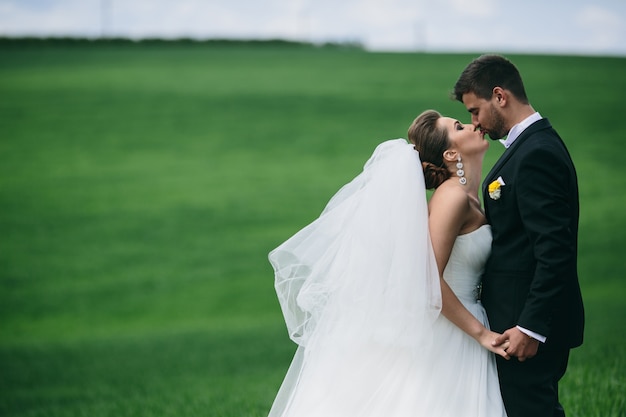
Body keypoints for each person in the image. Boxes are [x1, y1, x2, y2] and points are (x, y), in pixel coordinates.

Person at [267, 110, 508, 416]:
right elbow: (427, 278)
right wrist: (480, 333)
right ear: (450, 153)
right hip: (451, 330)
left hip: (462, 320)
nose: (473, 124)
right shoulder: (453, 199)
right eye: (459, 126)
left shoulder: (467, 197)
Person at [452, 54, 585, 417]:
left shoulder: (536, 153)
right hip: (516, 325)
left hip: (525, 330)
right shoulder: (529, 148)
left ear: (499, 96)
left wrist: (531, 327)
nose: (474, 122)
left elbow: (554, 249)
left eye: (475, 110)